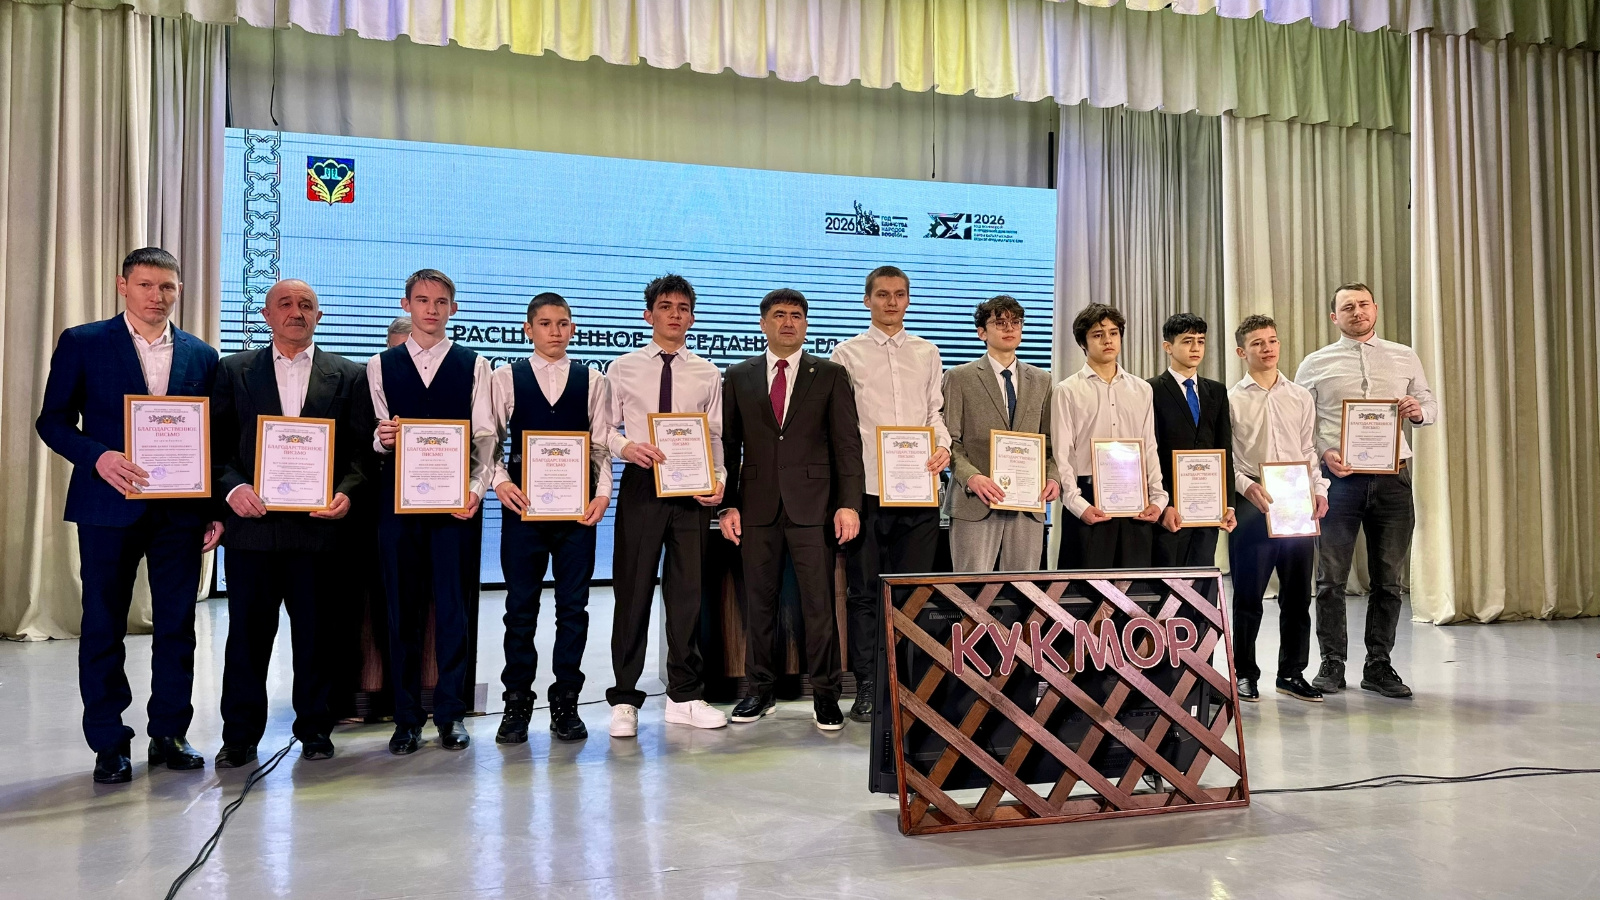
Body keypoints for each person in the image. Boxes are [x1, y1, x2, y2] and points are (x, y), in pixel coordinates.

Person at [35, 247, 223, 784]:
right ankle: (108, 742)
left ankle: (170, 733)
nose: (156, 296)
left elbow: (211, 437)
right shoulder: (84, 342)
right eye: (145, 285)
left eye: (166, 287)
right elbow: (52, 422)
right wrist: (98, 457)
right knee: (103, 625)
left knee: (178, 626)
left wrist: (214, 509)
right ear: (123, 286)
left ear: (178, 290)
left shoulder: (202, 355)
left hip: (180, 514)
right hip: (106, 507)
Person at [209, 279, 374, 766]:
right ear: (267, 315)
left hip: (319, 532)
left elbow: (362, 453)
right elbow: (214, 447)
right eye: (285, 304)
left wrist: (347, 493)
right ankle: (239, 737)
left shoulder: (350, 375)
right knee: (247, 640)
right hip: (253, 530)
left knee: (318, 639)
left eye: (306, 305)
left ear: (318, 316)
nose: (296, 312)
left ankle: (316, 729)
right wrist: (233, 489)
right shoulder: (233, 370)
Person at [718, 288, 863, 731]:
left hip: (814, 508)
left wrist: (848, 504)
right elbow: (729, 446)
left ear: (805, 324)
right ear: (763, 323)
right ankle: (759, 691)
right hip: (756, 507)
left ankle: (825, 695)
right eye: (779, 315)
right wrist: (727, 505)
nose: (788, 322)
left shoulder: (831, 374)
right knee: (759, 605)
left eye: (796, 315)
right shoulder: (738, 375)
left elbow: (846, 445)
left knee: (818, 606)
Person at [370, 269, 497, 754]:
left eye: (441, 302)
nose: (431, 309)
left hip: (455, 507)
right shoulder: (379, 365)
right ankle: (405, 718)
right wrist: (381, 439)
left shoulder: (475, 365)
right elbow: (374, 434)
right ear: (406, 305)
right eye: (422, 300)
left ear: (453, 309)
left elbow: (485, 437)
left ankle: (451, 713)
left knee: (453, 612)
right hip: (397, 505)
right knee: (400, 611)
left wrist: (476, 490)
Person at [1295, 283, 1437, 699]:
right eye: (1347, 307)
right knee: (1330, 579)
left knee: (1389, 580)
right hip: (1338, 482)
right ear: (1334, 317)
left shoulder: (1404, 355)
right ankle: (1332, 663)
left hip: (1394, 480)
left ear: (1375, 308)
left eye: (1362, 304)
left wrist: (1418, 411)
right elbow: (1300, 425)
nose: (1356, 312)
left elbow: (1429, 404)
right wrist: (1324, 452)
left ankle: (1379, 665)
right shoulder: (1315, 363)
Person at [605, 274, 728, 737]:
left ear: (692, 317)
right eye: (665, 306)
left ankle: (685, 696)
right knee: (633, 590)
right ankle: (624, 698)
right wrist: (626, 447)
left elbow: (715, 435)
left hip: (692, 489)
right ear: (648, 314)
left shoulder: (707, 372)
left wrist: (719, 480)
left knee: (687, 594)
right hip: (642, 482)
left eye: (683, 307)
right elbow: (602, 428)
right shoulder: (623, 368)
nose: (675, 314)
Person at [488, 293, 614, 744]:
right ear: (528, 329)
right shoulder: (505, 377)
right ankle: (516, 703)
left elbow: (600, 444)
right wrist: (499, 482)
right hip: (523, 511)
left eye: (563, 323)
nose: (555, 331)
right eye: (545, 323)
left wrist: (603, 494)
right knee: (520, 610)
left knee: (573, 609)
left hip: (577, 515)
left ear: (573, 328)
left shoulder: (593, 379)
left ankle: (566, 702)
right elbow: (487, 441)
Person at [831, 266, 951, 723]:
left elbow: (934, 414)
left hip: (918, 491)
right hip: (867, 490)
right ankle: (868, 685)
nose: (891, 302)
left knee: (913, 592)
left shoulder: (927, 352)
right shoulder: (847, 354)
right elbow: (843, 428)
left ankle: (910, 686)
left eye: (899, 294)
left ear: (908, 299)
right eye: (882, 295)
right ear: (867, 300)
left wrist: (943, 446)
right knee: (864, 593)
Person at [1228, 315, 1329, 703]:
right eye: (1257, 343)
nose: (1267, 348)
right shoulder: (1232, 399)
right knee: (1248, 595)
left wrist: (1319, 490)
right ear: (1242, 352)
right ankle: (1244, 673)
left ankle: (1291, 673)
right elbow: (1228, 459)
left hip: (1296, 500)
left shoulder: (1300, 396)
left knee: (1297, 596)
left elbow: (1308, 450)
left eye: (1272, 341)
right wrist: (1246, 486)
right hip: (1252, 501)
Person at [942, 295, 1060, 571]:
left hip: (1026, 505)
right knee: (972, 590)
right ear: (982, 332)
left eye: (1015, 322)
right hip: (975, 502)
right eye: (1000, 322)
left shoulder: (1042, 380)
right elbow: (950, 442)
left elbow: (1050, 443)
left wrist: (1053, 476)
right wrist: (971, 477)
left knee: (1023, 590)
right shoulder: (959, 377)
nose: (1009, 328)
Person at [1050, 303, 1165, 569]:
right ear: (1083, 342)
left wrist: (1158, 497)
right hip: (1087, 498)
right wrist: (1077, 504)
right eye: (1098, 335)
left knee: (1132, 587)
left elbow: (1149, 447)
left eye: (1113, 333)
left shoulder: (1142, 389)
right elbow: (1063, 454)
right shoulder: (1067, 390)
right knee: (1084, 588)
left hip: (1135, 497)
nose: (1108, 340)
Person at [1149, 313, 1237, 566]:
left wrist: (1228, 503)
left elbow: (1224, 448)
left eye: (1200, 341)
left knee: (1202, 575)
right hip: (1170, 507)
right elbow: (1150, 452)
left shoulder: (1217, 391)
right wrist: (1162, 503)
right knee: (1168, 577)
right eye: (1187, 341)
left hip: (1208, 504)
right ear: (1168, 347)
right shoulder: (1151, 389)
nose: (1196, 347)